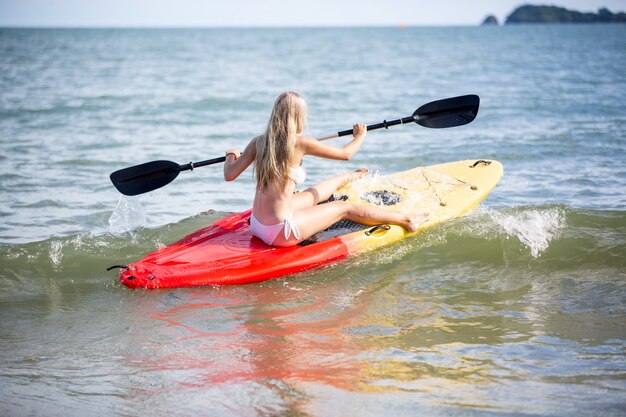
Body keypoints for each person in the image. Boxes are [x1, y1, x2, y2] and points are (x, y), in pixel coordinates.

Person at [223, 91, 428, 247]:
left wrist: (231, 154)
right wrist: (359, 136)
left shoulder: (259, 142)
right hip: (280, 232)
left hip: (257, 224)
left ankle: (350, 177)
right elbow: (346, 154)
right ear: (298, 117)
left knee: (313, 194)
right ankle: (407, 219)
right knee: (343, 208)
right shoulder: (301, 143)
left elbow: (229, 174)